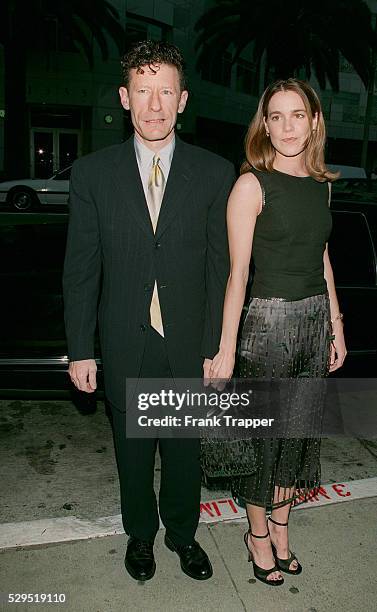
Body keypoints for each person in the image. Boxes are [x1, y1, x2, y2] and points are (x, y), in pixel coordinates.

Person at [63, 40, 235, 582]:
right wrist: (79, 350)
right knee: (132, 455)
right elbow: (81, 269)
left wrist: (216, 347)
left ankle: (182, 536)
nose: (154, 105)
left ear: (183, 99)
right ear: (124, 96)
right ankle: (140, 535)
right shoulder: (93, 175)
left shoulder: (213, 173)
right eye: (143, 91)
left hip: (187, 342)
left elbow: (221, 268)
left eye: (165, 92)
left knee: (186, 454)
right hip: (124, 341)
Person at [208, 79, 346, 586]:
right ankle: (258, 536)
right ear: (264, 125)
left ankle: (283, 530)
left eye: (297, 115)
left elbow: (323, 258)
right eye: (277, 116)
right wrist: (225, 352)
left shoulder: (321, 184)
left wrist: (335, 323)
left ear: (314, 122)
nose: (288, 126)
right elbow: (236, 275)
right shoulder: (251, 185)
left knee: (297, 437)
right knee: (264, 443)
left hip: (312, 324)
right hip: (266, 327)